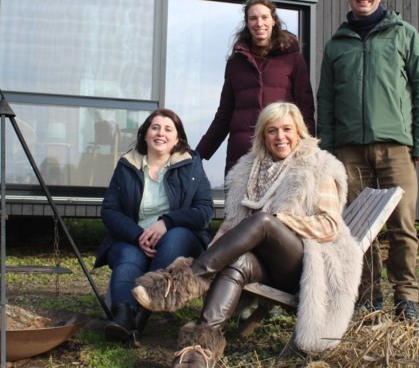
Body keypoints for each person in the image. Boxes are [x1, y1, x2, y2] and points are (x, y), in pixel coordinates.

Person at [132, 102, 362, 368]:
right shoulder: (250, 170)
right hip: (264, 266)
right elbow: (233, 226)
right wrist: (216, 255)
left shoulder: (318, 166)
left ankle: (182, 282)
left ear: (299, 132)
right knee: (237, 263)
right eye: (272, 131)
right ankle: (199, 350)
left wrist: (281, 221)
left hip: (304, 266)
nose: (280, 137)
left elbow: (328, 225)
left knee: (263, 222)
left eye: (287, 129)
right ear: (263, 135)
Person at [317, 0, 419, 321]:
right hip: (349, 150)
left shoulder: (404, 35)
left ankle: (407, 297)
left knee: (403, 224)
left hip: (397, 148)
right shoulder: (336, 44)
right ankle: (368, 297)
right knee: (357, 228)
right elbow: (325, 100)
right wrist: (327, 152)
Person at [94, 108, 215, 343]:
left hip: (178, 236)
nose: (161, 133)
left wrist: (167, 222)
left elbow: (204, 212)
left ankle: (141, 317)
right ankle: (123, 317)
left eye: (168, 129)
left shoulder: (191, 165)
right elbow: (110, 210)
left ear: (177, 138)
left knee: (174, 237)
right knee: (128, 256)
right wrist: (138, 235)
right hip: (134, 236)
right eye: (155, 127)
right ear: (146, 134)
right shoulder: (127, 165)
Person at [196, 0, 316, 175]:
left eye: (264, 17)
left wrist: (308, 148)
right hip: (242, 151)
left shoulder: (293, 59)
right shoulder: (236, 63)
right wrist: (199, 154)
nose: (259, 23)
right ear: (247, 23)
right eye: (253, 18)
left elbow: (305, 107)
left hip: (281, 152)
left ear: (274, 20)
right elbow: (224, 114)